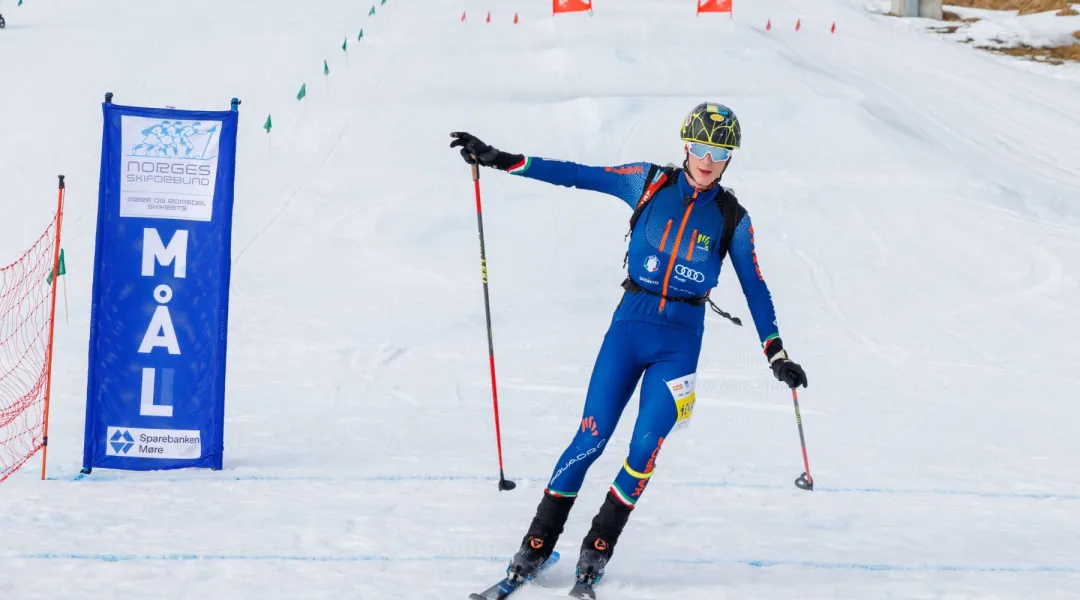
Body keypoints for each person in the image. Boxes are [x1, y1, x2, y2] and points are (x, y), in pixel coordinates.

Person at [449, 102, 808, 590]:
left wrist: (777, 354)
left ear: (730, 158)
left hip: (679, 345)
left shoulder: (732, 219)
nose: (707, 160)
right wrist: (502, 159)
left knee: (644, 449)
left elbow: (756, 287)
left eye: (719, 151)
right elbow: (577, 174)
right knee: (589, 439)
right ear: (686, 145)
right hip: (629, 329)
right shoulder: (646, 181)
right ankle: (535, 546)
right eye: (700, 147)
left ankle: (596, 550)